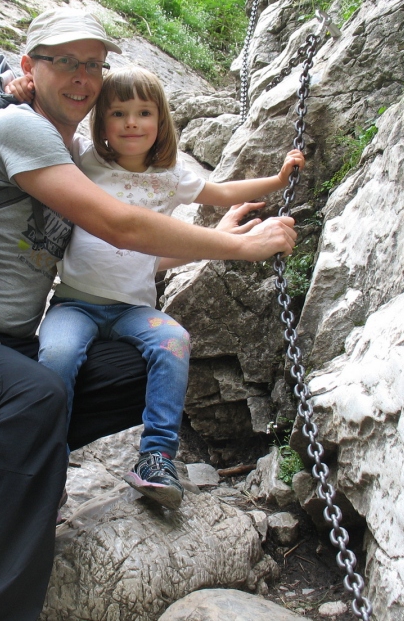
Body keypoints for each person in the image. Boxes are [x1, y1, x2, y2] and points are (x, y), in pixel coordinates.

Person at [0, 7, 298, 621]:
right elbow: (116, 223)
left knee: (151, 364)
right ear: (29, 66)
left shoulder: (68, 147)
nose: (81, 76)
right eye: (63, 60)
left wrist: (217, 228)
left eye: (92, 64)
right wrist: (239, 246)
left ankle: (13, 460)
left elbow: (117, 257)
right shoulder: (21, 127)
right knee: (36, 395)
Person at [22, 66, 305, 510]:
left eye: (143, 112)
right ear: (102, 124)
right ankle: (47, 460)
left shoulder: (172, 175)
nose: (131, 122)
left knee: (174, 339)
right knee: (56, 355)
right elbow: (43, 129)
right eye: (118, 113)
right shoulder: (84, 160)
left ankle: (156, 457)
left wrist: (278, 181)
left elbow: (222, 191)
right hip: (75, 302)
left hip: (134, 307)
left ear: (161, 121)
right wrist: (23, 89)